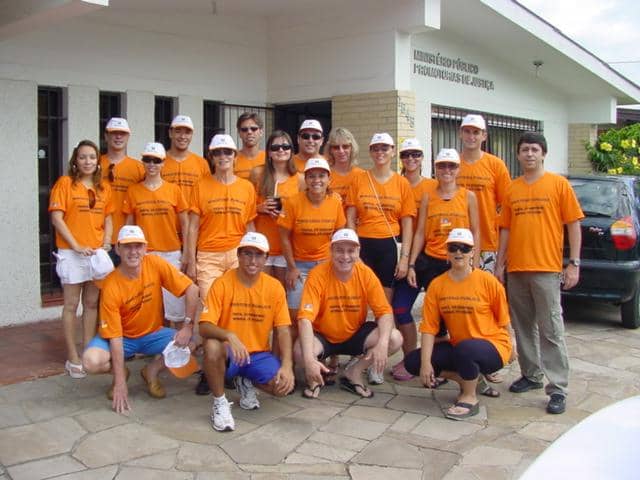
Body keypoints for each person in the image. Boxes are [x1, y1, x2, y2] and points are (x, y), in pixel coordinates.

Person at [496, 132, 583, 415]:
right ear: (518, 155)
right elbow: (505, 229)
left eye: (534, 149)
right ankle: (531, 375)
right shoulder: (512, 188)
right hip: (517, 269)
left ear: (543, 153)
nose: (529, 154)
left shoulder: (558, 185)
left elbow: (573, 224)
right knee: (523, 327)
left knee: (551, 330)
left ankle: (557, 388)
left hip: (546, 269)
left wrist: (574, 263)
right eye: (524, 150)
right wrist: (500, 264)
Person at [82, 225, 199, 413]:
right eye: (127, 246)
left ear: (145, 248)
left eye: (138, 246)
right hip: (124, 337)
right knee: (91, 361)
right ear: (118, 249)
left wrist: (187, 326)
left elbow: (192, 289)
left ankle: (151, 370)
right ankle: (121, 372)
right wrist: (119, 382)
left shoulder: (155, 263)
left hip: (152, 334)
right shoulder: (111, 285)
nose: (133, 252)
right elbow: (116, 338)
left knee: (190, 343)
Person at [404, 228, 515, 420]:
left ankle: (469, 397)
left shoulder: (488, 281)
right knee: (413, 361)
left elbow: (504, 318)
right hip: (461, 346)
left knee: (467, 349)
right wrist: (425, 364)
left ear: (473, 252)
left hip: (493, 345)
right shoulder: (438, 285)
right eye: (454, 248)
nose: (458, 253)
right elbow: (429, 328)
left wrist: (512, 346)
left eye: (464, 248)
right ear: (446, 252)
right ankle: (468, 379)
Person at [199, 232, 294, 432]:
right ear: (239, 255)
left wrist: (287, 366)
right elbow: (204, 326)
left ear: (266, 258)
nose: (252, 260)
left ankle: (245, 380)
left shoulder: (274, 287)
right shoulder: (222, 283)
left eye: (258, 255)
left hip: (258, 354)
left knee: (282, 387)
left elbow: (283, 329)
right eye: (247, 254)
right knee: (211, 346)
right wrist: (229, 335)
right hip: (231, 352)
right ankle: (220, 402)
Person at [186, 133, 257, 395]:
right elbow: (192, 225)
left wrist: (256, 253)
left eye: (228, 152)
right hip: (209, 256)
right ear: (212, 157)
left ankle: (229, 367)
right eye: (218, 153)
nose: (223, 157)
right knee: (210, 313)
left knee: (234, 310)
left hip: (238, 255)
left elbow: (250, 224)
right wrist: (190, 259)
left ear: (235, 157)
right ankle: (209, 370)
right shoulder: (200, 185)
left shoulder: (246, 187)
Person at [294, 228, 402, 399]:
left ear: (358, 251)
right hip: (324, 336)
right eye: (339, 250)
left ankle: (354, 372)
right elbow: (305, 319)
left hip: (354, 333)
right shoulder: (318, 274)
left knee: (394, 338)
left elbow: (385, 312)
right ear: (331, 251)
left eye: (350, 251)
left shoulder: (365, 274)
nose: (345, 257)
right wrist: (308, 360)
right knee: (300, 351)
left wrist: (382, 343)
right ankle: (315, 375)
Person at [346, 132, 416, 385]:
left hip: (389, 246)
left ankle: (377, 359)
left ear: (392, 151)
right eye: (375, 148)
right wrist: (353, 251)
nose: (380, 153)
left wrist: (405, 258)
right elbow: (350, 217)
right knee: (358, 302)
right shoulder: (360, 180)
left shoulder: (401, 184)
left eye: (385, 148)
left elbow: (407, 222)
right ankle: (356, 352)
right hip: (363, 244)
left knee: (382, 307)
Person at [457, 114, 512, 392]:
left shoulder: (495, 166)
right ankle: (462, 361)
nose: (471, 136)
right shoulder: (451, 163)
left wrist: (500, 255)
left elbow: (507, 207)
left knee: (485, 307)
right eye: (467, 131)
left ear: (484, 136)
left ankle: (490, 363)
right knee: (458, 305)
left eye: (476, 132)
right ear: (460, 133)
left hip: (486, 246)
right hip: (454, 247)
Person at [49, 140, 114, 379]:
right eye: (83, 157)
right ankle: (72, 356)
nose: (88, 161)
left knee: (91, 303)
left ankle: (88, 351)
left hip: (95, 254)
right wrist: (76, 245)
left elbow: (108, 217)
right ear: (75, 161)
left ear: (98, 162)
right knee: (70, 304)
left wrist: (107, 241)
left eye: (92, 157)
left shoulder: (104, 187)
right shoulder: (65, 184)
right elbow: (57, 218)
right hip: (72, 253)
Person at [124, 142, 189, 326]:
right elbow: (129, 224)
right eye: (147, 160)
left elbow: (185, 224)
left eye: (156, 160)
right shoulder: (133, 191)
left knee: (175, 302)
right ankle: (154, 342)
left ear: (163, 163)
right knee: (149, 302)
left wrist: (186, 251)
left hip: (171, 251)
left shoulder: (174, 190)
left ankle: (174, 345)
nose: (152, 164)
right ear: (142, 162)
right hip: (144, 253)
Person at [278, 158, 346, 327]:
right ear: (306, 180)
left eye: (321, 176)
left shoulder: (335, 202)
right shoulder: (293, 202)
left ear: (329, 179)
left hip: (325, 264)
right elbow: (284, 236)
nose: (317, 180)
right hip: (300, 265)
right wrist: (292, 267)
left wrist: (336, 264)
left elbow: (339, 236)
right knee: (295, 313)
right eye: (312, 176)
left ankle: (329, 351)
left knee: (326, 311)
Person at [390, 138, 437, 381]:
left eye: (416, 154)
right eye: (406, 154)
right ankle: (411, 361)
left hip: (431, 256)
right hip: (402, 253)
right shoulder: (396, 183)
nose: (411, 159)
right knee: (399, 308)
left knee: (441, 313)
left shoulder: (433, 185)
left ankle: (437, 360)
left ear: (422, 158)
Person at [250, 130, 304, 286]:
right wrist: (259, 208)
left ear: (291, 151)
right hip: (262, 244)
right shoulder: (257, 173)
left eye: (285, 146)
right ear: (269, 152)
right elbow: (244, 206)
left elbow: (303, 212)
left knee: (282, 292)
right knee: (261, 291)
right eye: (275, 147)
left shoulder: (299, 179)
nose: (281, 150)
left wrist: (286, 213)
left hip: (285, 248)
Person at [100, 117, 145, 263]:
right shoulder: (95, 164)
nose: (118, 137)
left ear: (128, 137)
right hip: (99, 237)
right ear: (106, 136)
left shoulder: (138, 168)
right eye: (114, 133)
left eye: (122, 133)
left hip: (127, 238)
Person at [161, 115, 210, 211]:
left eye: (187, 133)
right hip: (166, 222)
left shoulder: (202, 163)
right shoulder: (158, 161)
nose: (182, 137)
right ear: (170, 133)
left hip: (193, 222)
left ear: (192, 135)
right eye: (178, 132)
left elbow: (207, 195)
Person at [325, 127, 363, 206]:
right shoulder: (325, 175)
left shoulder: (361, 175)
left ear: (352, 148)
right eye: (336, 147)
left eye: (345, 146)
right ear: (330, 150)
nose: (341, 151)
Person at [235, 112, 266, 180]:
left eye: (254, 129)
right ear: (239, 133)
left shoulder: (269, 158)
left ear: (261, 132)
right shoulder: (232, 159)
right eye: (244, 129)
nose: (249, 132)